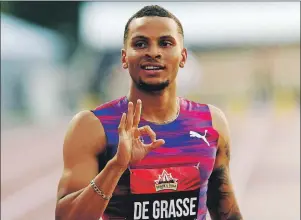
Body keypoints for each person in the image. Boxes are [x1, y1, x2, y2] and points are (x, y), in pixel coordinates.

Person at [55, 5, 243, 220]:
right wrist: (116, 166)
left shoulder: (211, 122)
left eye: (165, 43)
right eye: (140, 43)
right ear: (124, 58)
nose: (153, 52)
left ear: (182, 57)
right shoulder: (91, 126)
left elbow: (227, 214)